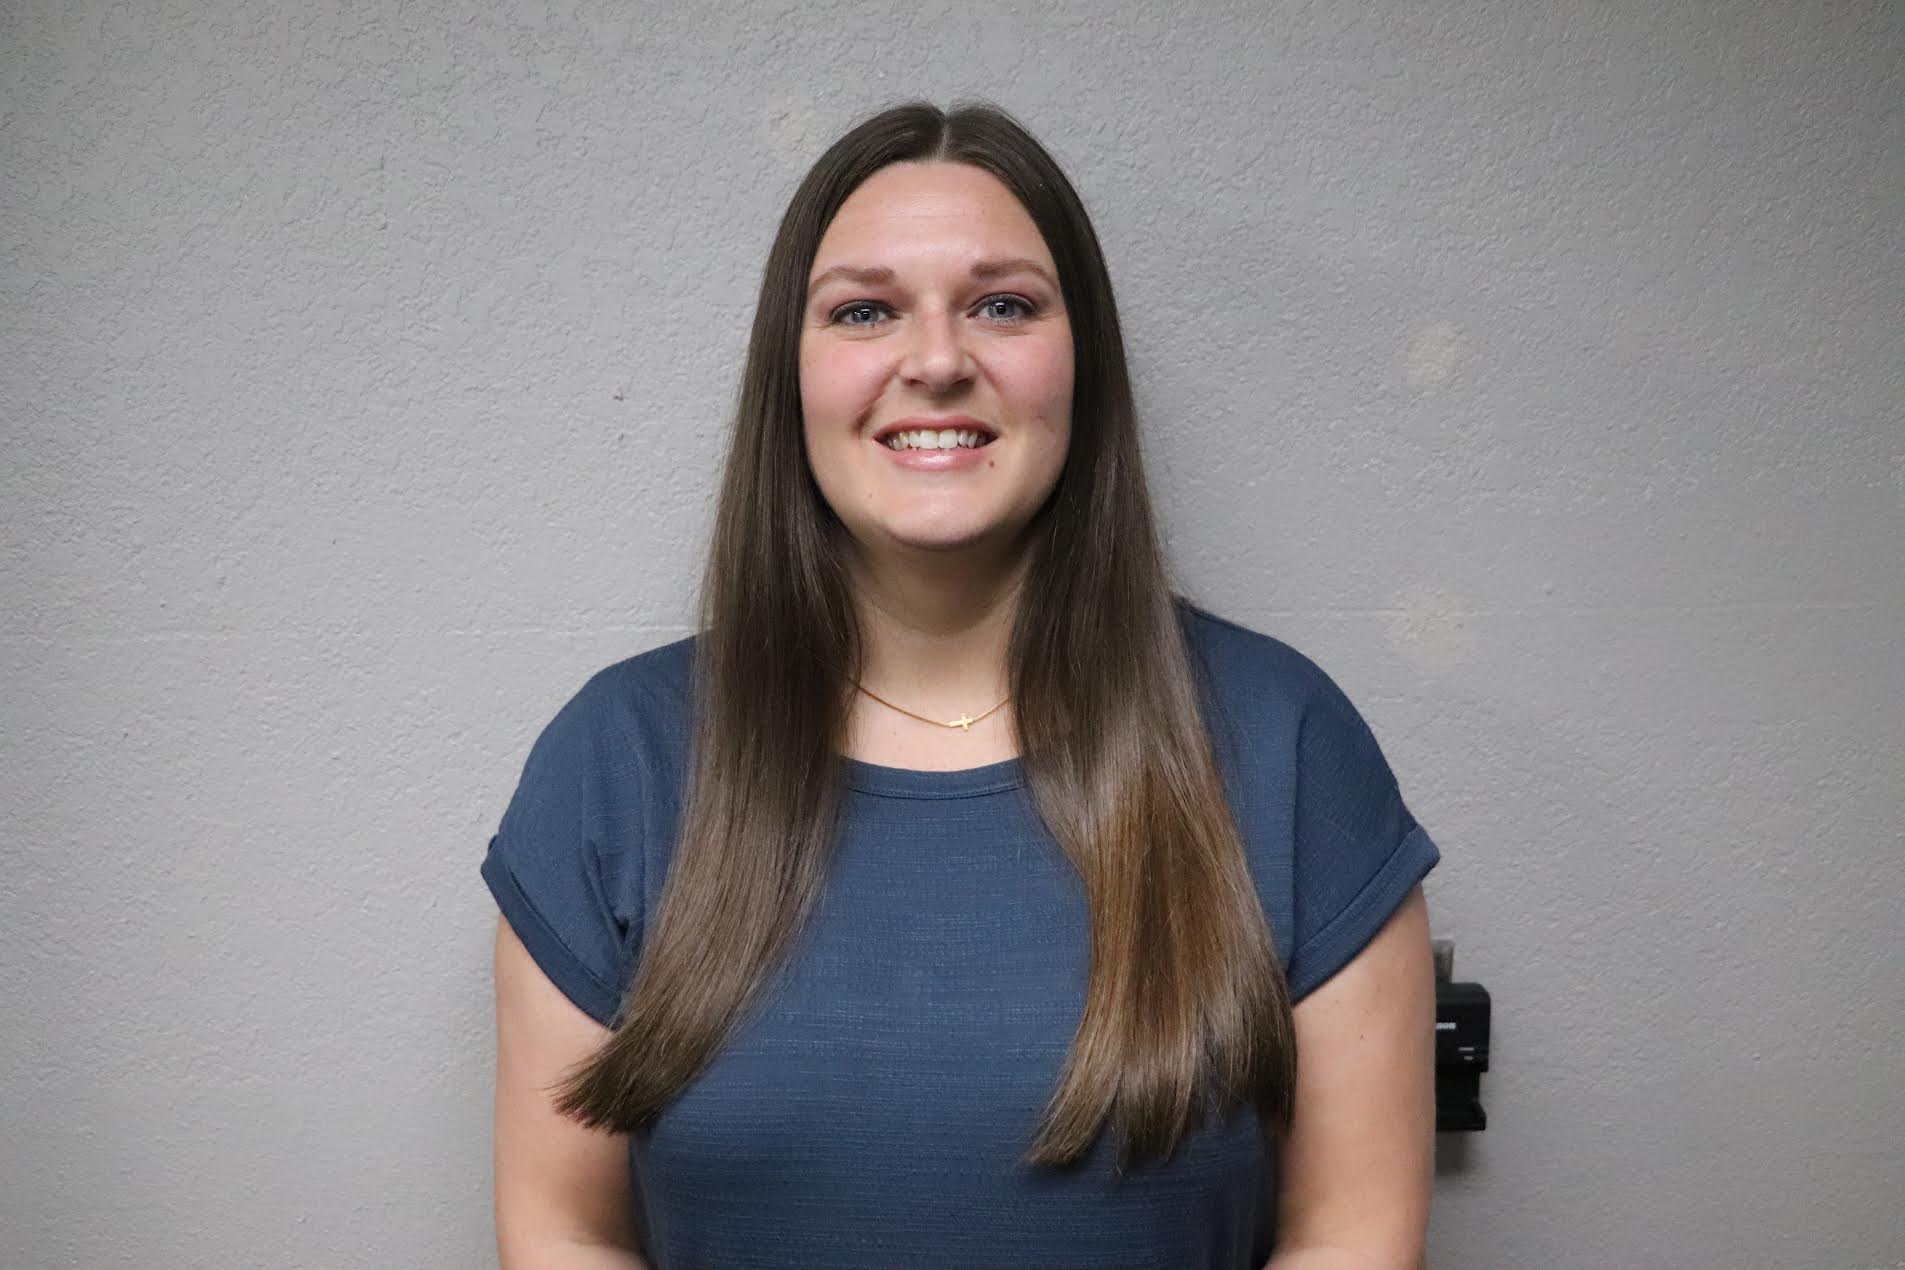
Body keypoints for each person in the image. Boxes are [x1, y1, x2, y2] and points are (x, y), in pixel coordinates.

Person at [482, 98, 1440, 1270]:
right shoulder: (616, 760)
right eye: (865, 310)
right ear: (793, 375)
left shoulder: (1285, 742)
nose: (936, 360)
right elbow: (562, 1232)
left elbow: (1352, 1236)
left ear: (1081, 359)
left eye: (1003, 304)